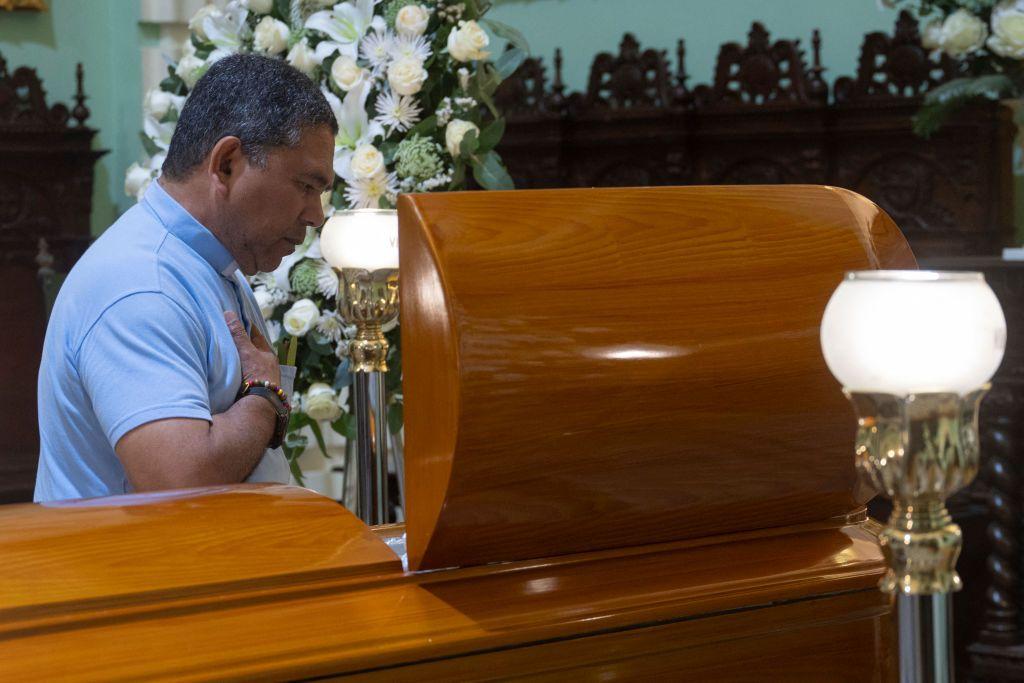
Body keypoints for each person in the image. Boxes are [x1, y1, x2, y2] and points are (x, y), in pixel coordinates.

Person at [34, 54, 336, 501]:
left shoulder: (206, 262)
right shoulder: (141, 283)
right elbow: (180, 483)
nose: (315, 214)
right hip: (130, 570)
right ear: (228, 163)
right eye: (306, 187)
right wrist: (265, 398)